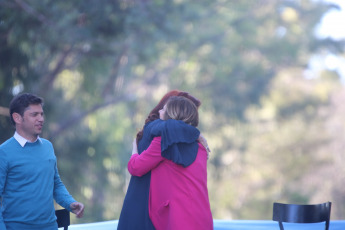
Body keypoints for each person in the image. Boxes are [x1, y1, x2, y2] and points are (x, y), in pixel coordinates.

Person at [117, 90, 209, 230]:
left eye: (164, 110)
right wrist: (195, 133)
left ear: (171, 114)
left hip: (177, 220)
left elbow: (135, 167)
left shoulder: (164, 140)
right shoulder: (201, 147)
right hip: (202, 218)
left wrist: (134, 150)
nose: (160, 111)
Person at [0, 93, 84, 230]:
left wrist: (70, 203)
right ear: (17, 118)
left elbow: (55, 184)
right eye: (34, 115)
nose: (41, 119)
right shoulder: (3, 153)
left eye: (41, 114)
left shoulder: (48, 147)